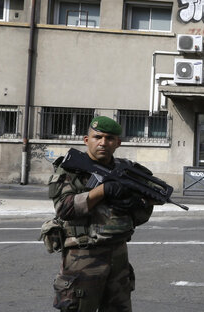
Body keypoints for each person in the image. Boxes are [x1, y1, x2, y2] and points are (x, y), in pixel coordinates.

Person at [48, 116, 160, 311]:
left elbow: (145, 207)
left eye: (109, 138)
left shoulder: (126, 171)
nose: (103, 143)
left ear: (118, 143)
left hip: (118, 254)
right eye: (97, 137)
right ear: (86, 140)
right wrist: (104, 190)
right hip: (83, 255)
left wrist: (138, 202)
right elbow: (65, 208)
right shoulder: (70, 169)